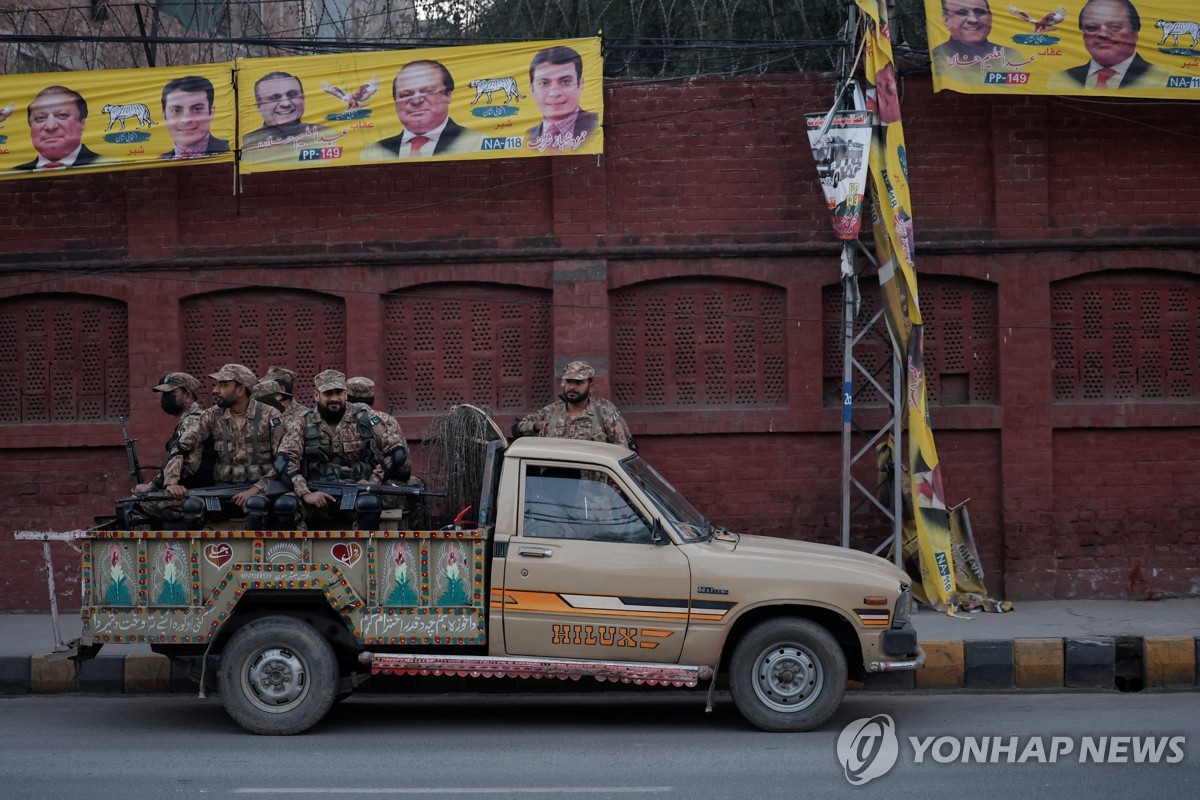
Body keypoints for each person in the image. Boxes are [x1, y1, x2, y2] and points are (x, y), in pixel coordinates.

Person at [279, 369, 407, 525]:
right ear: (316, 395)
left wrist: (374, 480)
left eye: (339, 393)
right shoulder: (302, 423)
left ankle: (364, 549)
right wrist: (305, 493)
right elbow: (284, 460)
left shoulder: (366, 419)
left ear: (346, 395)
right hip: (316, 494)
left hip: (358, 494)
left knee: (369, 504)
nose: (334, 398)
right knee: (285, 505)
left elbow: (396, 452)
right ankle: (293, 550)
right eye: (328, 393)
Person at [166, 364, 288, 527]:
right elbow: (182, 445)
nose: (215, 390)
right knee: (192, 507)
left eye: (223, 385)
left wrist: (256, 489)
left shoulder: (270, 415)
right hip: (222, 492)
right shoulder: (212, 415)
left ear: (240, 390)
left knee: (256, 505)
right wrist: (171, 482)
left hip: (260, 493)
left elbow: (283, 461)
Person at [125, 372, 211, 525]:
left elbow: (181, 455)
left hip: (197, 493)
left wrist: (163, 485)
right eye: (164, 394)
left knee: (132, 508)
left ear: (188, 396)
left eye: (171, 393)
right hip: (189, 492)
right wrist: (152, 487)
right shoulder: (188, 420)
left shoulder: (193, 420)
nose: (165, 398)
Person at [361, 60, 484, 161]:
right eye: (405, 95)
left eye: (428, 92)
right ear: (395, 103)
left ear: (448, 95)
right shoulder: (373, 151)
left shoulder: (476, 142)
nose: (416, 101)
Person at [1048, 0, 1170, 90]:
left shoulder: (1163, 80)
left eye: (1115, 27)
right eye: (1092, 27)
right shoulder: (1058, 81)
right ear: (1083, 35)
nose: (1103, 34)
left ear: (1135, 33)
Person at [515, 361, 634, 447]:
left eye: (578, 383)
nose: (572, 387)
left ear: (591, 387)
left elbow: (622, 450)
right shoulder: (552, 411)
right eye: (569, 382)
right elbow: (520, 426)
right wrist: (538, 426)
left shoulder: (606, 411)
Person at [241, 72, 334, 164]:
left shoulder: (326, 134)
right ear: (259, 107)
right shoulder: (247, 143)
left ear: (303, 99)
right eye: (274, 98)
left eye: (292, 95)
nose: (286, 103)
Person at [525, 45, 598, 152]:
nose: (554, 93)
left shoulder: (596, 126)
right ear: (532, 90)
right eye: (544, 83)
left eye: (565, 81)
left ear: (580, 84)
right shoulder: (527, 136)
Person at [931, 0, 1025, 82]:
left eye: (979, 12)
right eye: (962, 13)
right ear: (946, 20)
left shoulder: (1012, 57)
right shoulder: (937, 57)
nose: (973, 19)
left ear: (990, 17)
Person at [14, 86, 104, 170]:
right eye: (40, 118)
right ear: (31, 127)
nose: (50, 126)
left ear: (82, 122)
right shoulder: (14, 173)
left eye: (62, 115)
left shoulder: (104, 166)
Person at [159, 75, 229, 161]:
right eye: (176, 111)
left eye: (197, 109)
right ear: (164, 116)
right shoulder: (157, 161)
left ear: (212, 112)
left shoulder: (229, 151)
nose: (186, 119)